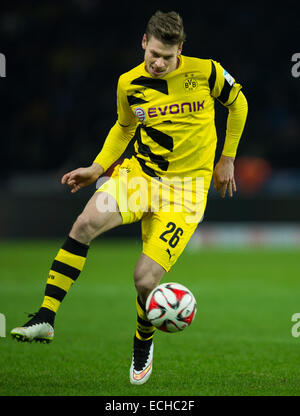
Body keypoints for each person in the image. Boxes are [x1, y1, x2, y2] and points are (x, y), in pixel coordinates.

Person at [11, 10, 248, 385]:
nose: (158, 62)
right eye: (153, 53)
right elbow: (124, 128)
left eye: (167, 57)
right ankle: (45, 316)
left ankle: (143, 340)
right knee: (85, 222)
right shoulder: (129, 83)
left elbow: (239, 104)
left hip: (186, 192)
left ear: (180, 51)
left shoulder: (206, 72)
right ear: (144, 42)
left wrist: (228, 158)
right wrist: (98, 166)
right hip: (138, 176)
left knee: (143, 280)